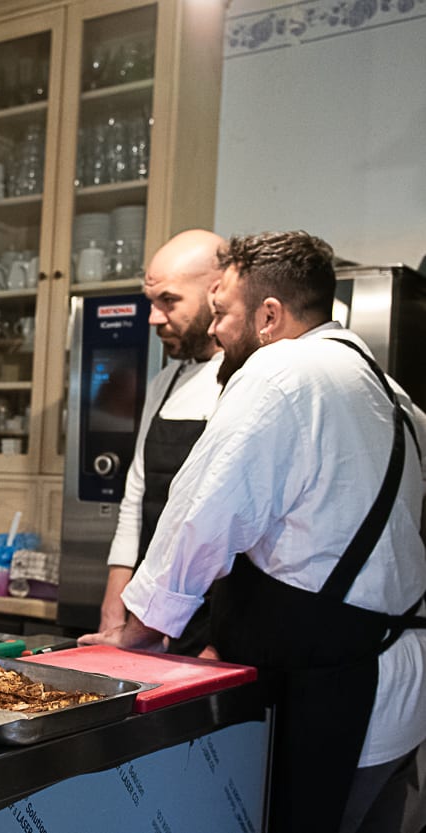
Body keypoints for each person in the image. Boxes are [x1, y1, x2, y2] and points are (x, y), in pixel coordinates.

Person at [81, 231, 426, 833]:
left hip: (340, 698)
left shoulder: (282, 370)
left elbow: (204, 512)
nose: (214, 333)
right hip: (401, 695)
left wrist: (144, 629)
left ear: (269, 317)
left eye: (221, 314)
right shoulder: (392, 395)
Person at [98, 229, 225, 656]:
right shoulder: (165, 381)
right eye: (152, 302)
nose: (153, 318)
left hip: (215, 619)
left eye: (168, 301)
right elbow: (136, 496)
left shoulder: (250, 378)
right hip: (147, 615)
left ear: (217, 292)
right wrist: (115, 613)